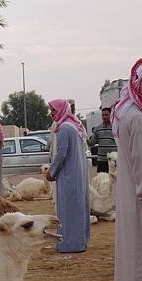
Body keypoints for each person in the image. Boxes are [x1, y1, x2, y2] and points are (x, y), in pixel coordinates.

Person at [112, 57, 142, 281]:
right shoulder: (137, 117)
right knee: (139, 265)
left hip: (132, 197)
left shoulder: (128, 113)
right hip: (139, 201)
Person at [45, 99, 90, 253]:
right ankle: (80, 242)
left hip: (68, 175)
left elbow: (61, 154)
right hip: (78, 174)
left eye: (54, 111)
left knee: (67, 210)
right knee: (77, 208)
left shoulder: (64, 128)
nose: (51, 114)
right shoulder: (76, 126)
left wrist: (52, 172)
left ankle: (69, 244)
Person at [87, 107, 118, 173]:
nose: (104, 117)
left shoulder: (116, 127)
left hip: (114, 161)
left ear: (111, 114)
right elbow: (91, 143)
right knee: (102, 182)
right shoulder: (97, 129)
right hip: (102, 161)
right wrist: (84, 136)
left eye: (106, 115)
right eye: (103, 115)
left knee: (115, 182)